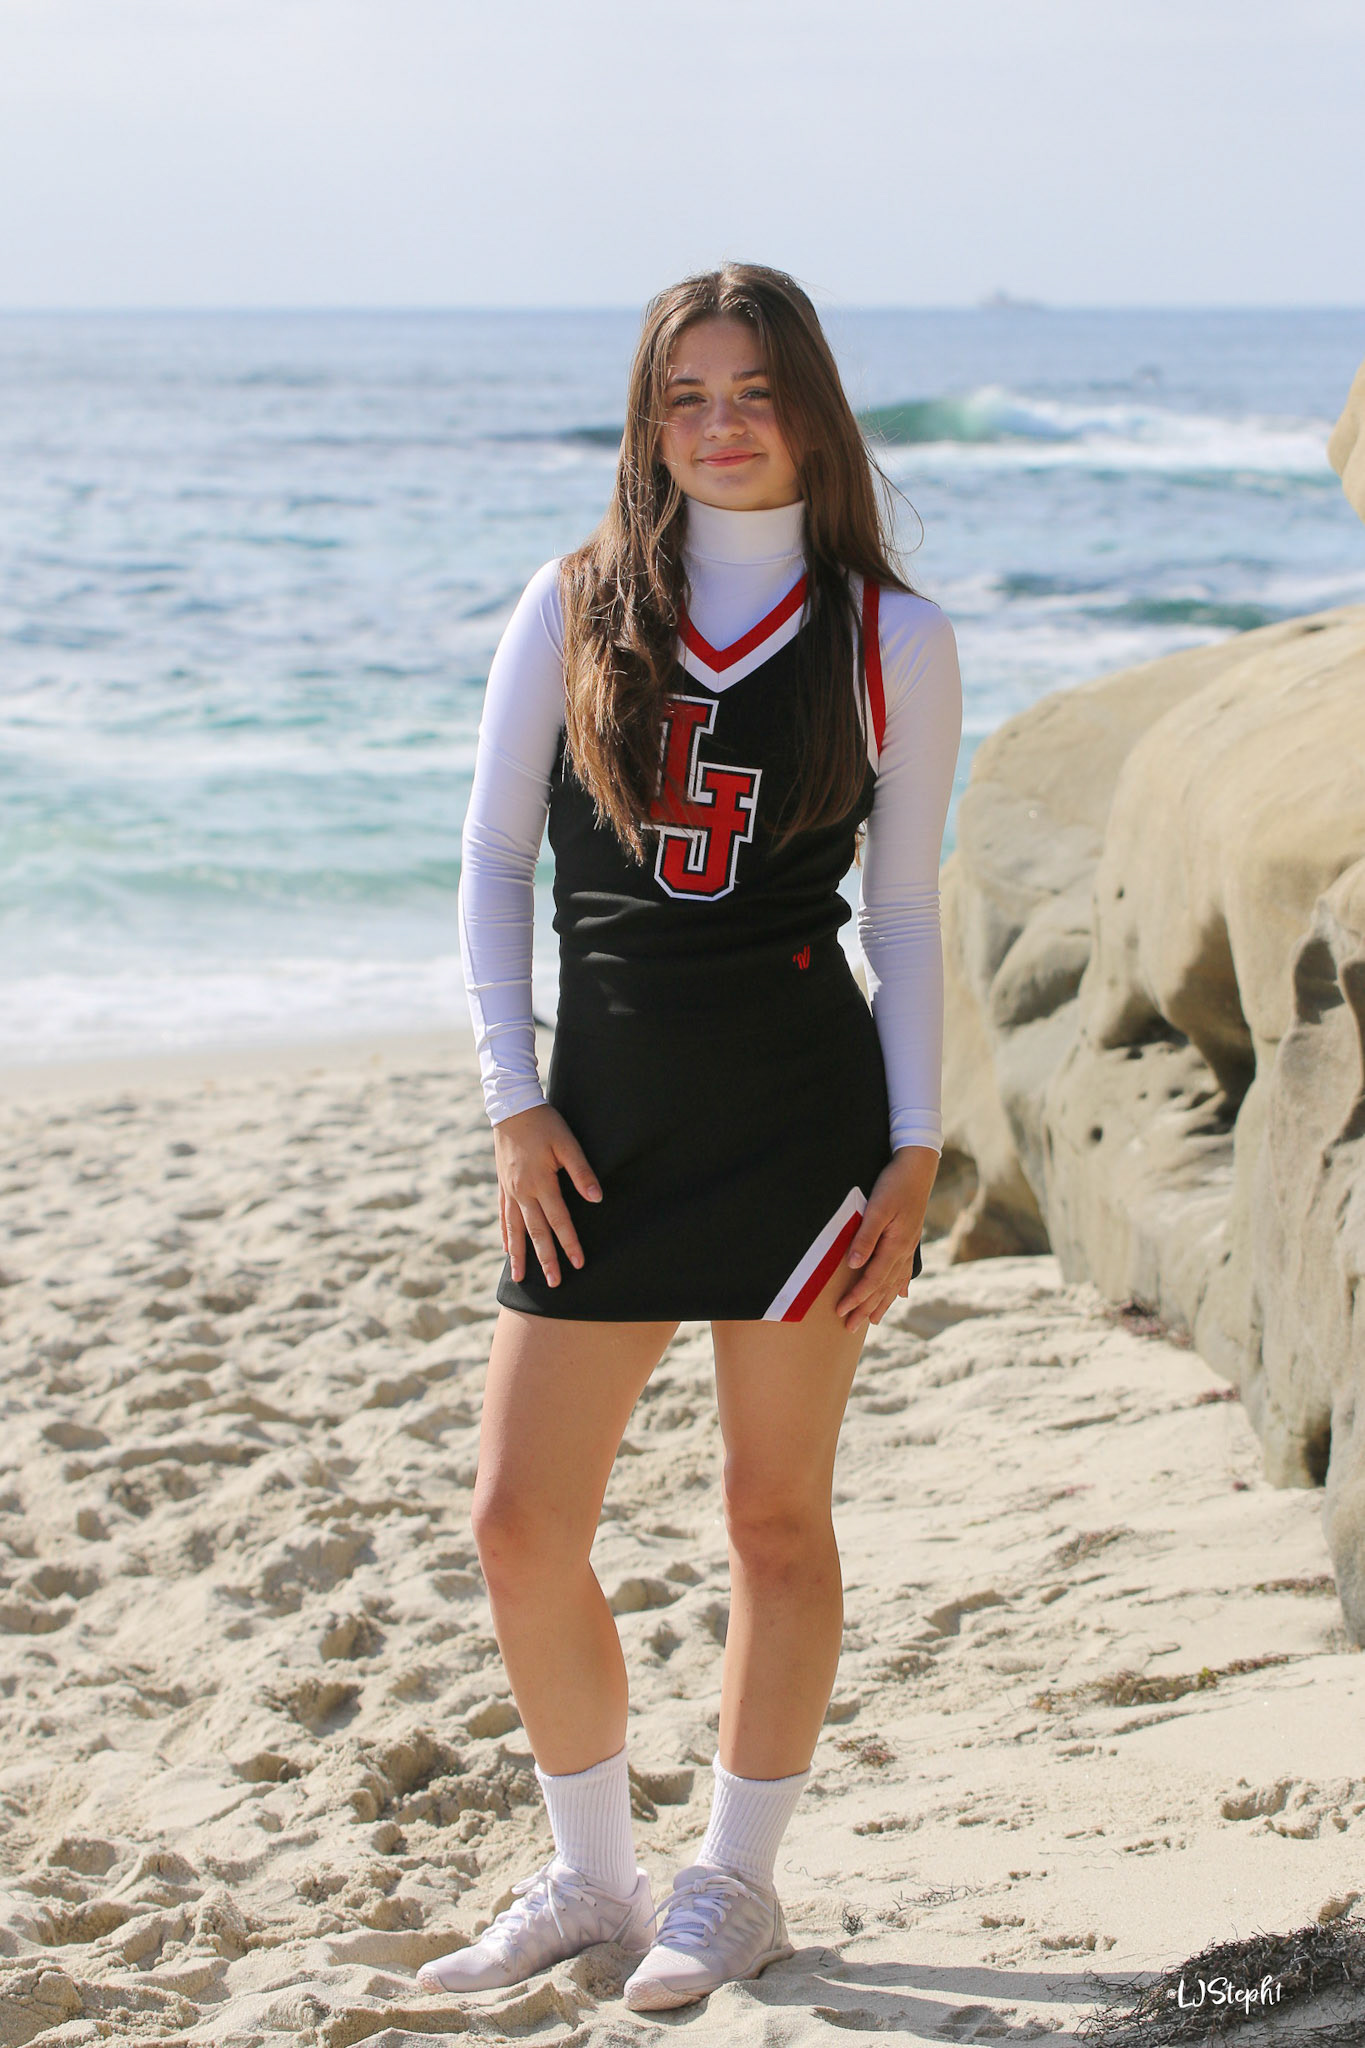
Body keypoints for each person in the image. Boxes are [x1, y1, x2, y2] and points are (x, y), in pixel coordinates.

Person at [418, 262, 962, 2013]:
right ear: (648, 422)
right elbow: (493, 862)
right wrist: (511, 1098)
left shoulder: (888, 636)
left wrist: (913, 1149)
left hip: (802, 1134)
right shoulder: (574, 603)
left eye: (751, 391)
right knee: (518, 1522)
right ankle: (592, 1878)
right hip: (600, 1133)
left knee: (772, 1520)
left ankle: (733, 1884)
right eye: (684, 396)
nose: (719, 426)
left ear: (808, 408)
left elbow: (904, 913)